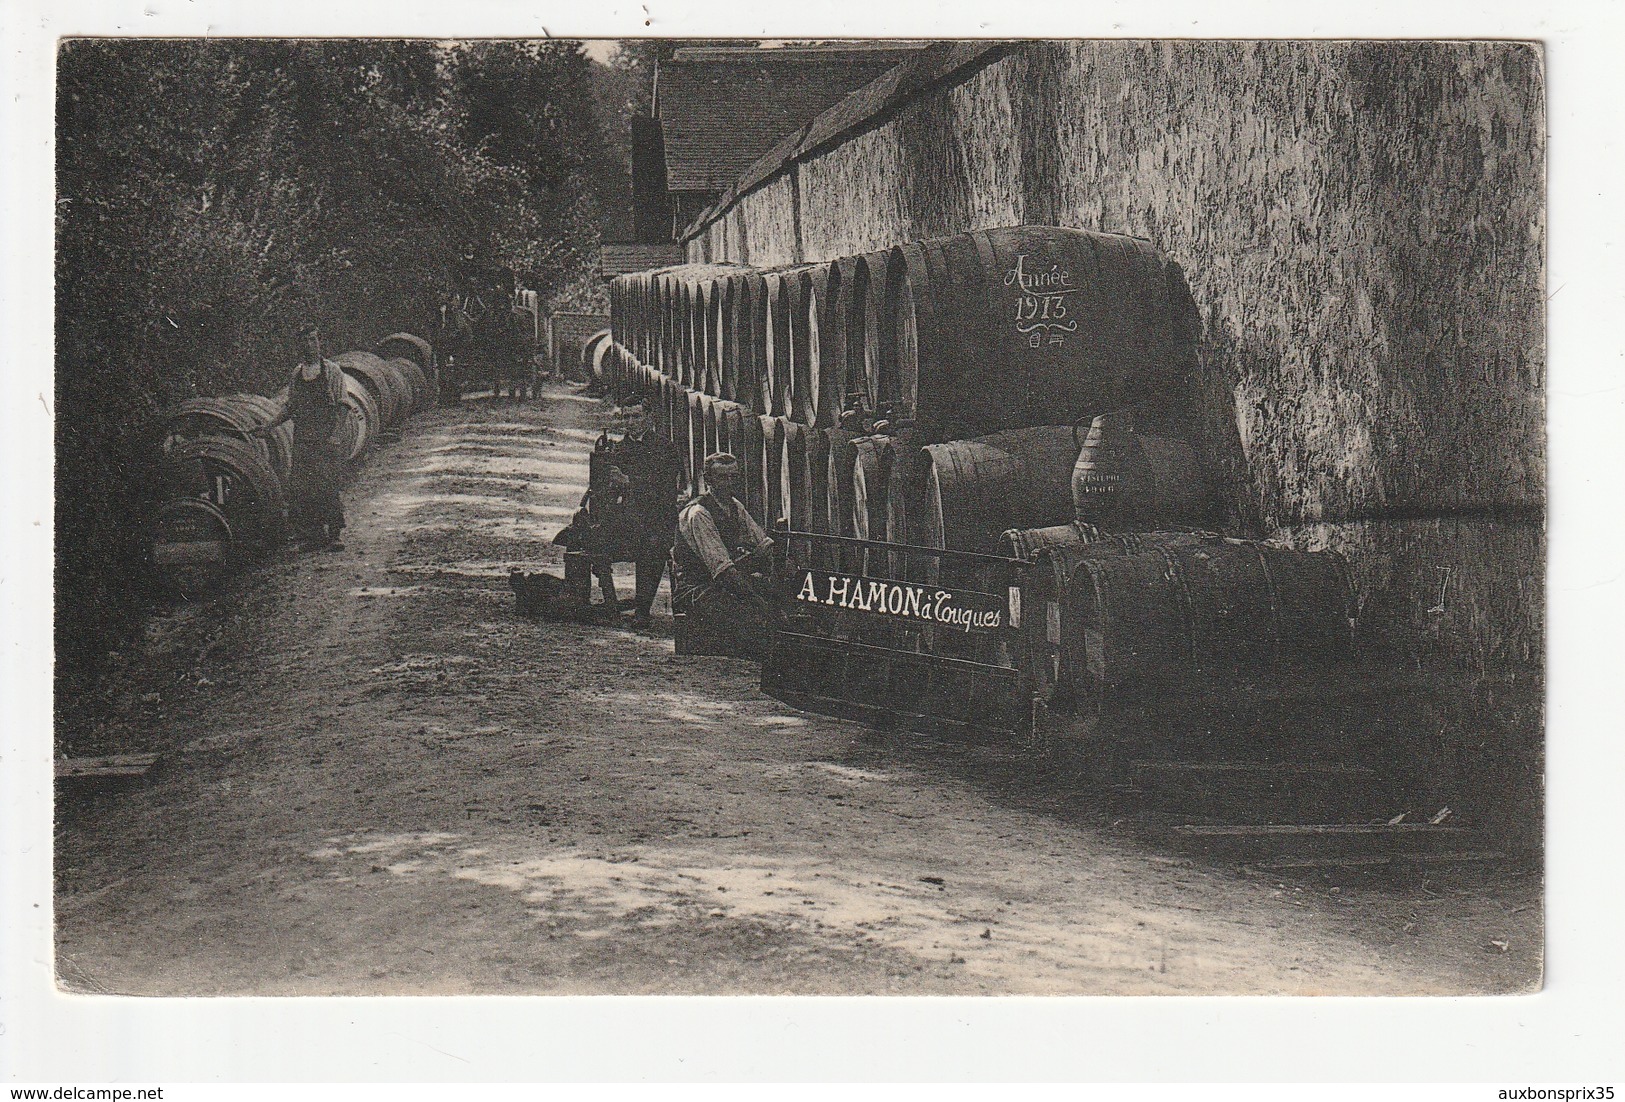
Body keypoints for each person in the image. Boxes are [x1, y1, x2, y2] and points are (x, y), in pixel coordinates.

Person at [672, 452, 782, 654]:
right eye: (722, 477)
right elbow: (722, 569)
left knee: (780, 606)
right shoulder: (699, 513)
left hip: (722, 584)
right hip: (698, 589)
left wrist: (782, 567)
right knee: (758, 619)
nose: (729, 483)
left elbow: (763, 543)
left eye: (734, 477)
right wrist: (756, 598)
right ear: (708, 480)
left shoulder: (734, 506)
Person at [254, 323, 347, 551]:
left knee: (328, 485)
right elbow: (290, 407)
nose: (309, 345)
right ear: (299, 345)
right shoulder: (297, 374)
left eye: (313, 340)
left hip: (326, 437)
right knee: (303, 488)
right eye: (304, 341)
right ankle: (313, 536)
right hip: (304, 437)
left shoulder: (332, 371)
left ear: (319, 342)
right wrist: (268, 426)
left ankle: (334, 534)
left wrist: (336, 435)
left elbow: (343, 406)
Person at [605, 396, 683, 628]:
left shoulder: (664, 448)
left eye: (636, 416)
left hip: (657, 519)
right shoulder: (617, 449)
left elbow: (665, 489)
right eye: (626, 416)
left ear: (649, 417)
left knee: (653, 545)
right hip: (628, 519)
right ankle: (593, 603)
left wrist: (627, 482)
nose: (631, 422)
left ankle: (642, 609)